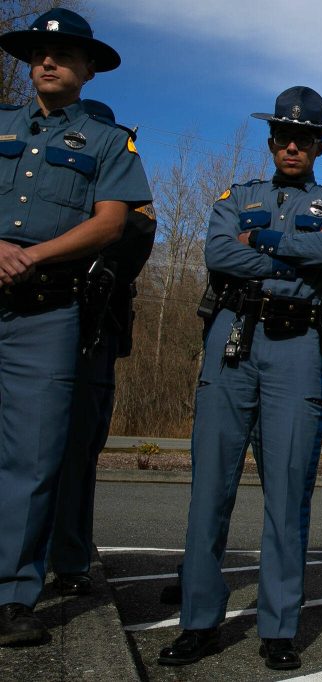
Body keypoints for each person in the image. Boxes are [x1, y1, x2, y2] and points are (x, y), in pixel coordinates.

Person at [157, 86, 322, 671]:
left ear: (320, 144)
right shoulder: (236, 195)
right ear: (271, 141)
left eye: (304, 137)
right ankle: (198, 620)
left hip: (296, 346)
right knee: (209, 490)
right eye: (282, 136)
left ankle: (278, 627)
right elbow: (219, 254)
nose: (292, 145)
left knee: (289, 491)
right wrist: (290, 256)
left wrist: (265, 242)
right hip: (231, 340)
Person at [0, 9, 151, 646]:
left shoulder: (109, 142)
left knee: (34, 461)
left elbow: (118, 224)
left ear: (89, 68)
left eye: (64, 54)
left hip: (50, 310)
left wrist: (31, 254)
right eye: (38, 51)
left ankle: (13, 595)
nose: (48, 60)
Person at [48, 100, 156, 597]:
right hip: (37, 321)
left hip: (94, 333)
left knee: (78, 451)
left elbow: (133, 237)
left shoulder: (127, 198)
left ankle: (69, 557)